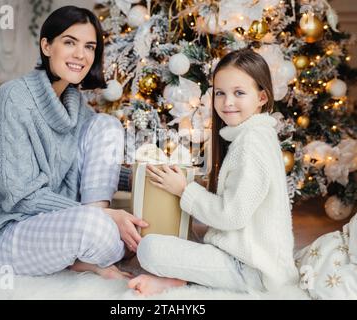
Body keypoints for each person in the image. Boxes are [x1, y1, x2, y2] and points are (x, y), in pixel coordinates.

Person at [0, 6, 147, 279]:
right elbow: (20, 195)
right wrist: (106, 220)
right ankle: (92, 243)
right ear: (46, 46)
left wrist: (138, 178)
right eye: (69, 42)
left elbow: (89, 163)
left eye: (89, 46)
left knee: (107, 125)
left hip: (57, 220)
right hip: (5, 232)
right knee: (104, 233)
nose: (80, 55)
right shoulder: (13, 99)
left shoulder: (74, 102)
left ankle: (89, 247)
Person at [127, 48, 300, 296]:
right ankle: (182, 280)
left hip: (252, 270)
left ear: (262, 97)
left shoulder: (252, 143)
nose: (227, 102)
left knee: (149, 249)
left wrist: (184, 190)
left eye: (239, 93)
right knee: (183, 242)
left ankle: (190, 282)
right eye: (220, 93)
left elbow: (231, 215)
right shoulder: (252, 136)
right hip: (241, 257)